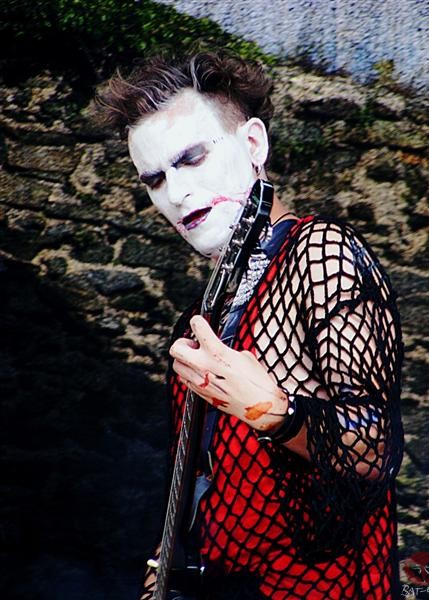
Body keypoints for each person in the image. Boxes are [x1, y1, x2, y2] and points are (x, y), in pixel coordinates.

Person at [97, 52, 404, 599]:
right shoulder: (203, 314)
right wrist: (165, 565)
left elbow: (376, 454)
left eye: (192, 158)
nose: (175, 193)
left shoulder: (320, 253)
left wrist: (273, 411)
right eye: (155, 179)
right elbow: (201, 482)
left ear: (254, 144)